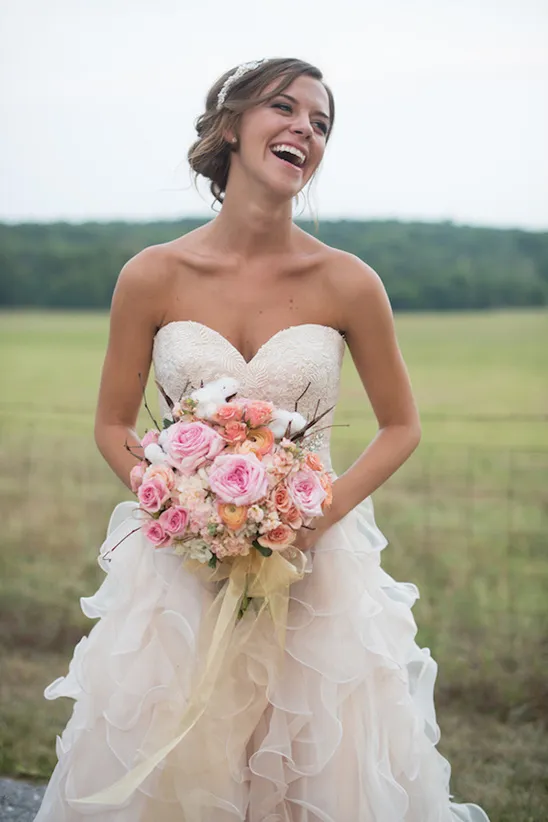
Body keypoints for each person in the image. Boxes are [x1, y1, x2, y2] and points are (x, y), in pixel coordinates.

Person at [35, 57, 489, 821]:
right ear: (230, 128)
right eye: (285, 108)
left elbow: (401, 426)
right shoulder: (152, 274)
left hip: (316, 570)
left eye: (322, 123)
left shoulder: (349, 282)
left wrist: (313, 515)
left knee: (312, 769)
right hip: (180, 572)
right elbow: (113, 426)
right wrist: (179, 505)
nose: (305, 129)